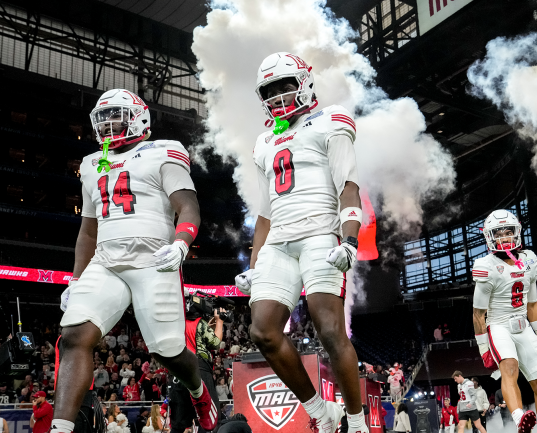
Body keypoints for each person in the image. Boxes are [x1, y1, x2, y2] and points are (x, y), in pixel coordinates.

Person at [55, 89, 217, 433]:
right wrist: (75, 278)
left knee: (166, 351)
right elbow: (88, 230)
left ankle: (199, 392)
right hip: (106, 261)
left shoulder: (164, 151)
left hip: (153, 259)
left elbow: (188, 206)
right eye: (103, 119)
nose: (109, 125)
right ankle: (60, 429)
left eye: (116, 116)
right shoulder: (90, 163)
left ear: (139, 118)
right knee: (73, 336)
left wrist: (181, 243)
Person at [233, 52, 366, 433]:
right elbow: (264, 213)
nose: (277, 96)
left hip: (320, 234)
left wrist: (350, 239)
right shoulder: (263, 142)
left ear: (305, 84)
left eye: (284, 86)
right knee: (263, 331)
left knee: (328, 329)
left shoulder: (330, 121)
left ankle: (356, 423)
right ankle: (323, 414)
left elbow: (348, 185)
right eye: (269, 91)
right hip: (278, 242)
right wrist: (255, 265)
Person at [471, 210, 537, 433]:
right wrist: (483, 348)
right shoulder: (486, 266)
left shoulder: (529, 260)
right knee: (509, 366)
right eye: (499, 233)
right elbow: (478, 314)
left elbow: (533, 304)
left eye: (509, 232)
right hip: (498, 325)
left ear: (517, 232)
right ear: (490, 237)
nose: (505, 237)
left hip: (523, 325)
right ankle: (519, 418)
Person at [169, 302, 225, 433]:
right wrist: (220, 321)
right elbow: (216, 342)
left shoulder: (176, 324)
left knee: (178, 422)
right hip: (199, 370)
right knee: (208, 419)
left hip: (177, 371)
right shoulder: (200, 322)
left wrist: (211, 324)